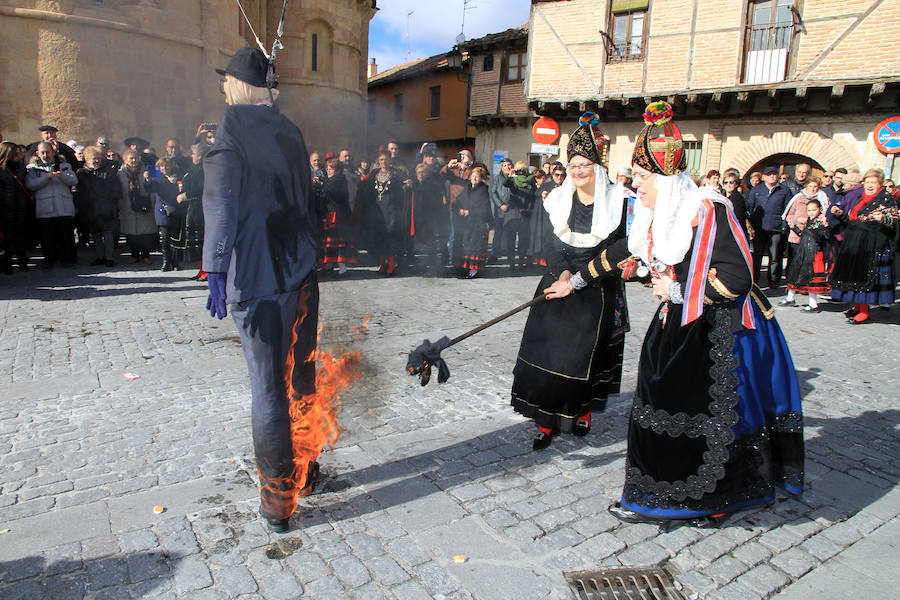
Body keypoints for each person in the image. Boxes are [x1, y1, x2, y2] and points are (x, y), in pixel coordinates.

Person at [548, 102, 803, 523]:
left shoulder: (706, 209)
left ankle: (711, 497)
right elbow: (620, 251)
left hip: (719, 328)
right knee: (659, 394)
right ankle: (659, 491)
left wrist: (681, 290)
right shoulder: (655, 212)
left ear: (666, 179)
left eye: (644, 178)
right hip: (680, 319)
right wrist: (573, 282)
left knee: (704, 410)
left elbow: (737, 278)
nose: (638, 186)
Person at [203, 46, 326, 534]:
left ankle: (279, 500)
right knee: (302, 376)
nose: (221, 88)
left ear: (236, 84)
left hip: (257, 278)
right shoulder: (289, 129)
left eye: (224, 80)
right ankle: (308, 468)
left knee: (268, 388)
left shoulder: (230, 129)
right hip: (301, 272)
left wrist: (215, 267)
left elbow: (219, 202)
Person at [511, 113, 629, 450]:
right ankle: (545, 421)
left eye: (585, 165)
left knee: (582, 357)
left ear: (598, 167)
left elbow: (618, 248)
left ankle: (582, 411)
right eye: (573, 164)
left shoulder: (617, 202)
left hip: (595, 286)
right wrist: (561, 271)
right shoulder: (558, 198)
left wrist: (576, 280)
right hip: (557, 282)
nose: (578, 171)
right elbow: (551, 242)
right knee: (547, 353)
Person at [829, 168, 898, 324]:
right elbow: (853, 221)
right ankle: (859, 307)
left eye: (873, 182)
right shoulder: (859, 198)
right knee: (856, 278)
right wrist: (841, 215)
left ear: (880, 184)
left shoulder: (886, 199)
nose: (870, 185)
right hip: (855, 244)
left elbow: (894, 223)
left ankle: (864, 312)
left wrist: (883, 218)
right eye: (867, 182)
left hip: (873, 246)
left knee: (866, 279)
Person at [26, 141, 78, 270]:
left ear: (53, 152)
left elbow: (74, 180)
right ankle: (49, 260)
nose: (45, 155)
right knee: (47, 237)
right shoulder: (33, 168)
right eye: (42, 152)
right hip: (45, 207)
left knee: (64, 236)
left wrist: (61, 176)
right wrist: (47, 177)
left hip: (63, 207)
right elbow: (30, 185)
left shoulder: (65, 166)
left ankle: (66, 260)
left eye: (48, 152)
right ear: (38, 153)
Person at [359, 151, 407, 275]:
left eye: (386, 159)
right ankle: (382, 264)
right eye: (381, 160)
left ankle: (391, 265)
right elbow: (364, 184)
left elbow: (406, 184)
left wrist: (407, 186)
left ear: (390, 160)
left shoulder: (396, 174)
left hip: (391, 209)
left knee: (389, 237)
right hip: (378, 209)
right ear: (378, 161)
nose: (384, 162)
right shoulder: (374, 173)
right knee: (379, 237)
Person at [782, 199, 831, 312]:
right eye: (809, 210)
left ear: (819, 209)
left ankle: (813, 304)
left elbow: (826, 237)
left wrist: (826, 226)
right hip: (803, 251)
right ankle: (790, 298)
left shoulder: (821, 222)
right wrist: (793, 227)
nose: (811, 212)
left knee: (812, 279)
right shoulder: (809, 221)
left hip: (814, 253)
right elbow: (803, 235)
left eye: (814, 210)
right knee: (795, 274)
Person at [746, 165, 791, 286]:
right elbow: (750, 206)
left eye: (774, 174)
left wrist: (784, 225)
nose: (772, 176)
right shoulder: (757, 189)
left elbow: (788, 209)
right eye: (769, 174)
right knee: (757, 255)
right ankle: (754, 280)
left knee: (775, 255)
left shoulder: (784, 190)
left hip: (776, 228)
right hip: (759, 227)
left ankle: (773, 279)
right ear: (764, 177)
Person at [76, 146, 120, 267]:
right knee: (95, 234)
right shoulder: (81, 173)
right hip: (90, 207)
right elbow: (79, 191)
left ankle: (109, 257)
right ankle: (100, 256)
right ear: (86, 159)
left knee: (107, 233)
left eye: (98, 158)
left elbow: (116, 189)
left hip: (106, 207)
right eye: (93, 159)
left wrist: (109, 200)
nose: (96, 161)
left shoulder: (108, 172)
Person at [171, 143, 208, 279]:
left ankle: (206, 270)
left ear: (199, 156)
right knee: (195, 242)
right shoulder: (195, 168)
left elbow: (201, 187)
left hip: (199, 208)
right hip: (191, 208)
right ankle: (201, 269)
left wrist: (185, 195)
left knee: (201, 241)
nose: (192, 156)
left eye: (194, 154)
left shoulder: (203, 169)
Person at [452, 166, 492, 278]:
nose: (474, 178)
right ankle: (463, 267)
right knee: (465, 245)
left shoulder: (483, 190)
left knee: (475, 246)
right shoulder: (467, 188)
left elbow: (484, 209)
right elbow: (458, 201)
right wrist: (459, 208)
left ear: (481, 179)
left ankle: (474, 270)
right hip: (466, 223)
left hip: (477, 224)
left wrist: (470, 211)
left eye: (477, 177)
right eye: (473, 176)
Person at [117, 149, 156, 264]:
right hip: (127, 205)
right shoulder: (119, 173)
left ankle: (146, 255)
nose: (134, 160)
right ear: (125, 160)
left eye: (136, 158)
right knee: (131, 233)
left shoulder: (150, 169)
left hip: (146, 205)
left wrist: (153, 202)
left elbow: (157, 187)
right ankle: (134, 255)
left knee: (145, 232)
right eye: (131, 158)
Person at [318, 157, 355, 275]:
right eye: (327, 169)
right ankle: (329, 264)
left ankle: (342, 267)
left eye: (331, 169)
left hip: (338, 215)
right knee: (330, 242)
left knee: (338, 242)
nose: (328, 171)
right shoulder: (332, 180)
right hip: (331, 214)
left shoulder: (338, 180)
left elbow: (330, 191)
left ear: (337, 171)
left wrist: (320, 185)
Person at [0, 141, 32, 272]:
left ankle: (22, 262)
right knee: (6, 239)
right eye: (16, 153)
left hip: (21, 206)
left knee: (21, 236)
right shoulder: (1, 170)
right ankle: (6, 265)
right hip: (5, 209)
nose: (19, 155)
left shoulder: (21, 168)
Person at [502, 160, 537, 270]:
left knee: (524, 240)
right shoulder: (513, 180)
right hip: (512, 214)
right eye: (520, 170)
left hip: (525, 214)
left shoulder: (531, 181)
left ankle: (521, 262)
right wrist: (511, 175)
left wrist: (530, 209)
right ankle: (512, 263)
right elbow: (505, 184)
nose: (522, 172)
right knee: (511, 240)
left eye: (524, 170)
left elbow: (534, 197)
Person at [152, 157, 181, 271]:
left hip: (175, 209)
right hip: (163, 209)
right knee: (165, 238)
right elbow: (148, 188)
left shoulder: (177, 176)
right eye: (162, 166)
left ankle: (175, 261)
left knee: (175, 237)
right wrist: (147, 180)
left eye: (167, 165)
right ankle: (166, 261)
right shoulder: (156, 177)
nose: (164, 168)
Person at [488, 158, 513, 263]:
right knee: (498, 233)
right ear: (502, 168)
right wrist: (500, 205)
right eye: (505, 165)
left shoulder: (515, 178)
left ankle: (510, 256)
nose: (507, 167)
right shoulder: (496, 179)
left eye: (509, 165)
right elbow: (493, 193)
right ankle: (494, 254)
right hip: (501, 211)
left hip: (512, 210)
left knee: (511, 234)